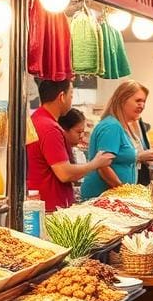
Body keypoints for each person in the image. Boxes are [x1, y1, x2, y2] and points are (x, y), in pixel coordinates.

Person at [26, 80, 114, 211]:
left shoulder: (38, 119)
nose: (71, 100)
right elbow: (65, 173)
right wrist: (95, 163)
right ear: (62, 97)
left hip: (45, 204)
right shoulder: (49, 128)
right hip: (51, 207)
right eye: (71, 95)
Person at [81, 80, 153, 199]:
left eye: (144, 101)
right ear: (122, 100)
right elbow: (103, 166)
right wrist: (123, 191)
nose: (142, 105)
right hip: (103, 197)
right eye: (138, 101)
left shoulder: (122, 126)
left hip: (115, 196)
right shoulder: (112, 126)